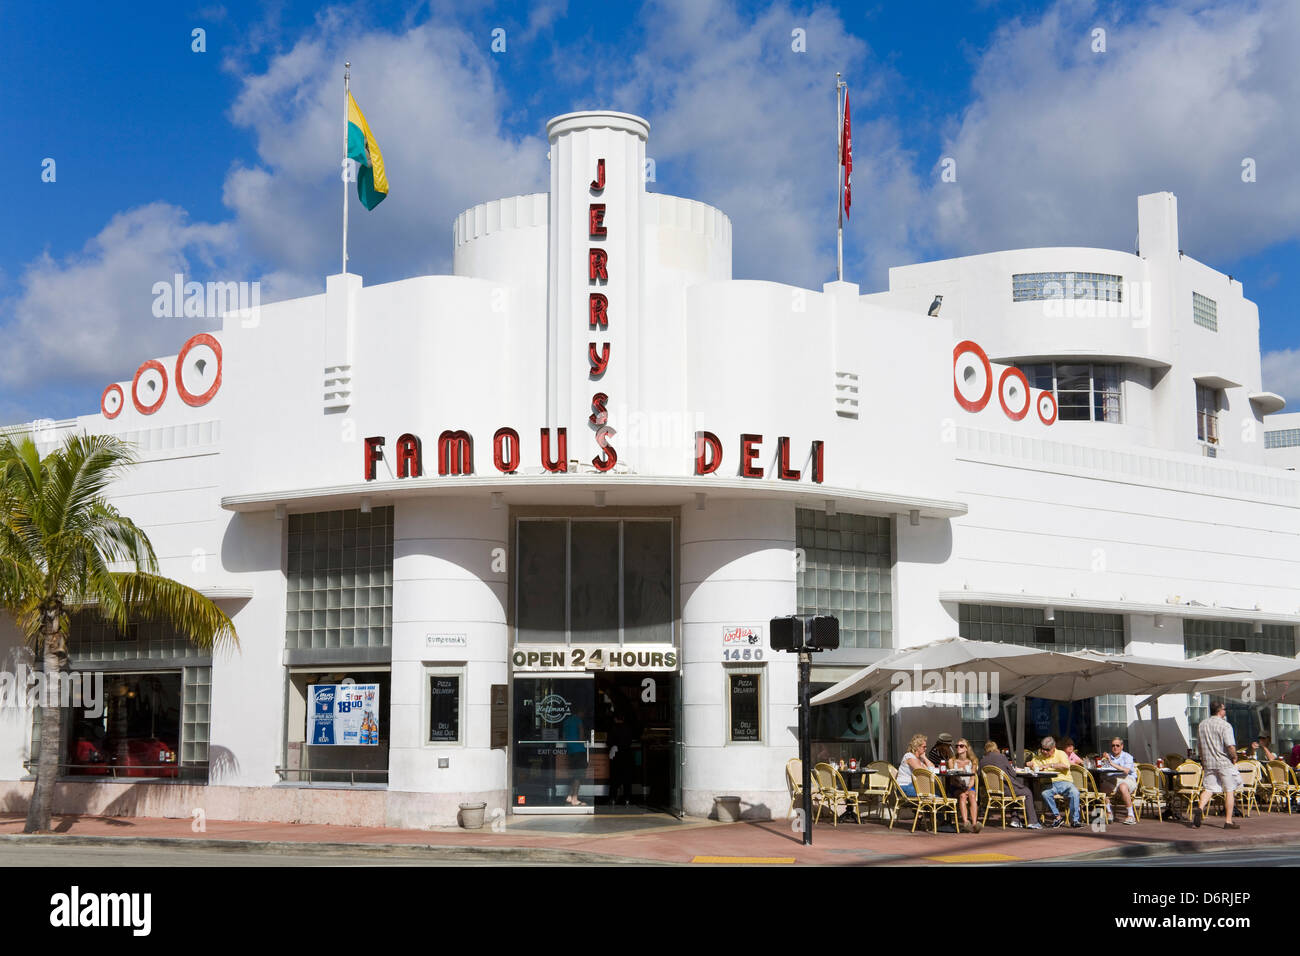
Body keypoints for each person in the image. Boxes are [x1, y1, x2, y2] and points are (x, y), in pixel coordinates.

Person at [1193, 700, 1239, 829]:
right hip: (1223, 762)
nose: (1225, 712)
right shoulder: (1225, 726)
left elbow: (1199, 746)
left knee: (1209, 788)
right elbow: (1230, 745)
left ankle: (1200, 808)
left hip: (1209, 762)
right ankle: (1228, 821)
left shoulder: (1202, 725)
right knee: (1229, 790)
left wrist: (1203, 759)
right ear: (1220, 711)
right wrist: (1234, 757)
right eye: (1224, 709)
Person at [980, 740, 1041, 828]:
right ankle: (1032, 821)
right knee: (1027, 792)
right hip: (1006, 789)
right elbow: (1013, 774)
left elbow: (980, 776)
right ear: (995, 748)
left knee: (1014, 793)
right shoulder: (1001, 757)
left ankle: (1015, 820)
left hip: (991, 792)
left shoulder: (982, 760)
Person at [1031, 736, 1083, 828]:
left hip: (1064, 781)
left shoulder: (1061, 754)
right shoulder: (1038, 757)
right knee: (1045, 793)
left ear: (1053, 748)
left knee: (1075, 792)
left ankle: (1075, 820)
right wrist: (1028, 764)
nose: (1044, 751)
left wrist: (1051, 765)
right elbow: (1032, 764)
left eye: (1047, 749)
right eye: (1043, 749)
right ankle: (1058, 817)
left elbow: (1066, 766)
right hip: (1048, 783)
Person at [1098, 736, 1138, 825]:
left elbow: (1126, 771)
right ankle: (1109, 812)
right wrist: (1104, 760)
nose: (1115, 747)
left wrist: (1111, 762)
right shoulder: (1108, 756)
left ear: (1122, 746)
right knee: (1102, 786)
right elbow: (1104, 771)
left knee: (1122, 786)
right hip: (1113, 779)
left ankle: (1131, 815)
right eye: (1113, 746)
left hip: (1127, 779)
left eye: (1117, 745)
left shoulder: (1127, 756)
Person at [951, 738, 982, 833]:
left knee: (972, 795)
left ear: (966, 748)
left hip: (969, 786)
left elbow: (973, 778)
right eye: (957, 746)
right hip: (956, 786)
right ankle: (965, 823)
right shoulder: (952, 761)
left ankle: (974, 824)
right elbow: (952, 779)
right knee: (963, 796)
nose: (958, 748)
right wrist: (961, 787)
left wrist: (968, 788)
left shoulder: (973, 761)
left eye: (961, 746)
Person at [897, 733, 934, 798]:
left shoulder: (920, 758)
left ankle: (926, 807)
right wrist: (926, 767)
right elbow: (921, 771)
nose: (926, 749)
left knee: (934, 794)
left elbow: (932, 769)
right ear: (917, 747)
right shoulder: (909, 756)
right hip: (904, 786)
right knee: (932, 796)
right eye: (924, 747)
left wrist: (925, 758)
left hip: (914, 785)